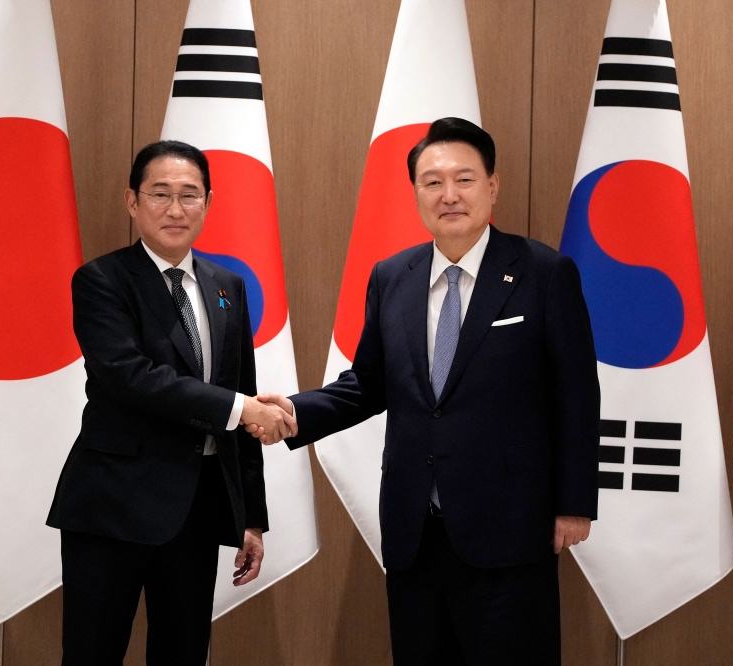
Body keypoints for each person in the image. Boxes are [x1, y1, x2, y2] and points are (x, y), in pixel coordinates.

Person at [252, 118, 600, 664]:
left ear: (493, 186)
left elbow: (577, 399)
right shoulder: (393, 276)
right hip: (415, 530)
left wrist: (573, 504)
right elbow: (368, 383)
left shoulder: (544, 273)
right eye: (432, 182)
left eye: (464, 179)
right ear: (415, 192)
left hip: (510, 528)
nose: (449, 195)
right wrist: (295, 412)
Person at [46, 140, 294, 665]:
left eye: (190, 195)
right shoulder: (102, 281)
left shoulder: (228, 286)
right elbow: (130, 377)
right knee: (93, 652)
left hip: (197, 512)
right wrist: (241, 408)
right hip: (112, 506)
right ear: (132, 202)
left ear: (208, 202)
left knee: (183, 654)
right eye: (160, 194)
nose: (176, 209)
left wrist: (250, 516)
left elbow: (241, 391)